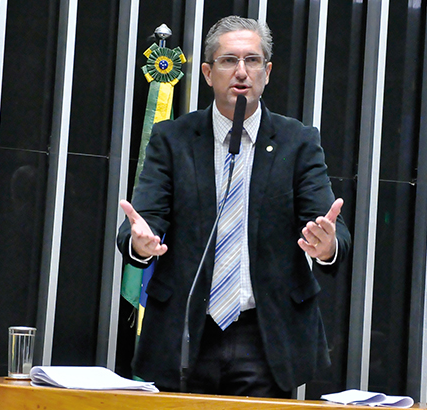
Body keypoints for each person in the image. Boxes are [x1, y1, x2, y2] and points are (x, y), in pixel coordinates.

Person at [117, 15, 351, 398]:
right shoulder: (172, 139)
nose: (241, 71)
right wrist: (140, 243)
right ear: (208, 73)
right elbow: (144, 222)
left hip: (266, 332)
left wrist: (326, 246)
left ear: (267, 71)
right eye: (228, 61)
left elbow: (329, 228)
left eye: (252, 60)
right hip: (187, 331)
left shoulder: (298, 142)